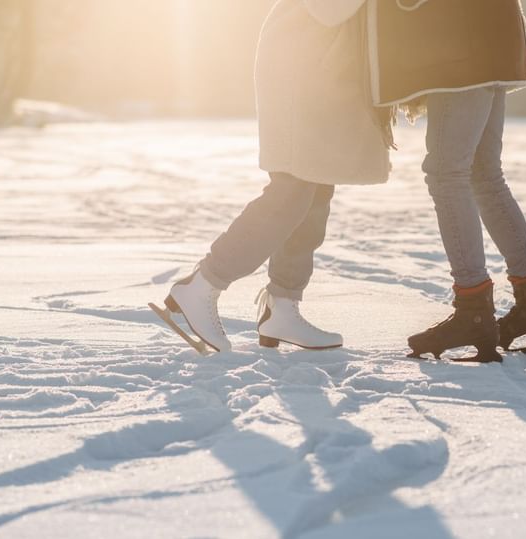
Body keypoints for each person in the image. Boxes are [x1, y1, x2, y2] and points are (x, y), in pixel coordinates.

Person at [151, 0, 389, 354]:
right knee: (291, 192)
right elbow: (330, 9)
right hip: (300, 68)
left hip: (326, 72)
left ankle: (283, 306)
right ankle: (202, 285)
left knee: (316, 190)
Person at [367, 0, 526, 362]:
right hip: (495, 39)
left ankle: (472, 310)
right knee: (484, 174)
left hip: (460, 48)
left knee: (447, 174)